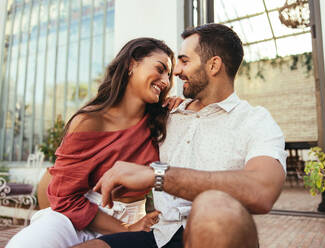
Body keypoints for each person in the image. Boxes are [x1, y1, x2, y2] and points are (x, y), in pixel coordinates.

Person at [74, 23, 287, 248]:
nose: (175, 72)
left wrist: (158, 176)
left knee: (214, 208)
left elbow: (262, 190)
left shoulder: (255, 120)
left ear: (214, 65)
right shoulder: (166, 113)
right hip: (159, 235)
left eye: (185, 61)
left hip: (214, 234)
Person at [7, 37, 178, 248]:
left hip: (135, 222)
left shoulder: (162, 121)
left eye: (169, 75)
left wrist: (183, 108)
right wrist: (124, 229)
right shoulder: (89, 121)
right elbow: (64, 198)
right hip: (74, 218)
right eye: (160, 69)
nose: (166, 81)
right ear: (131, 64)